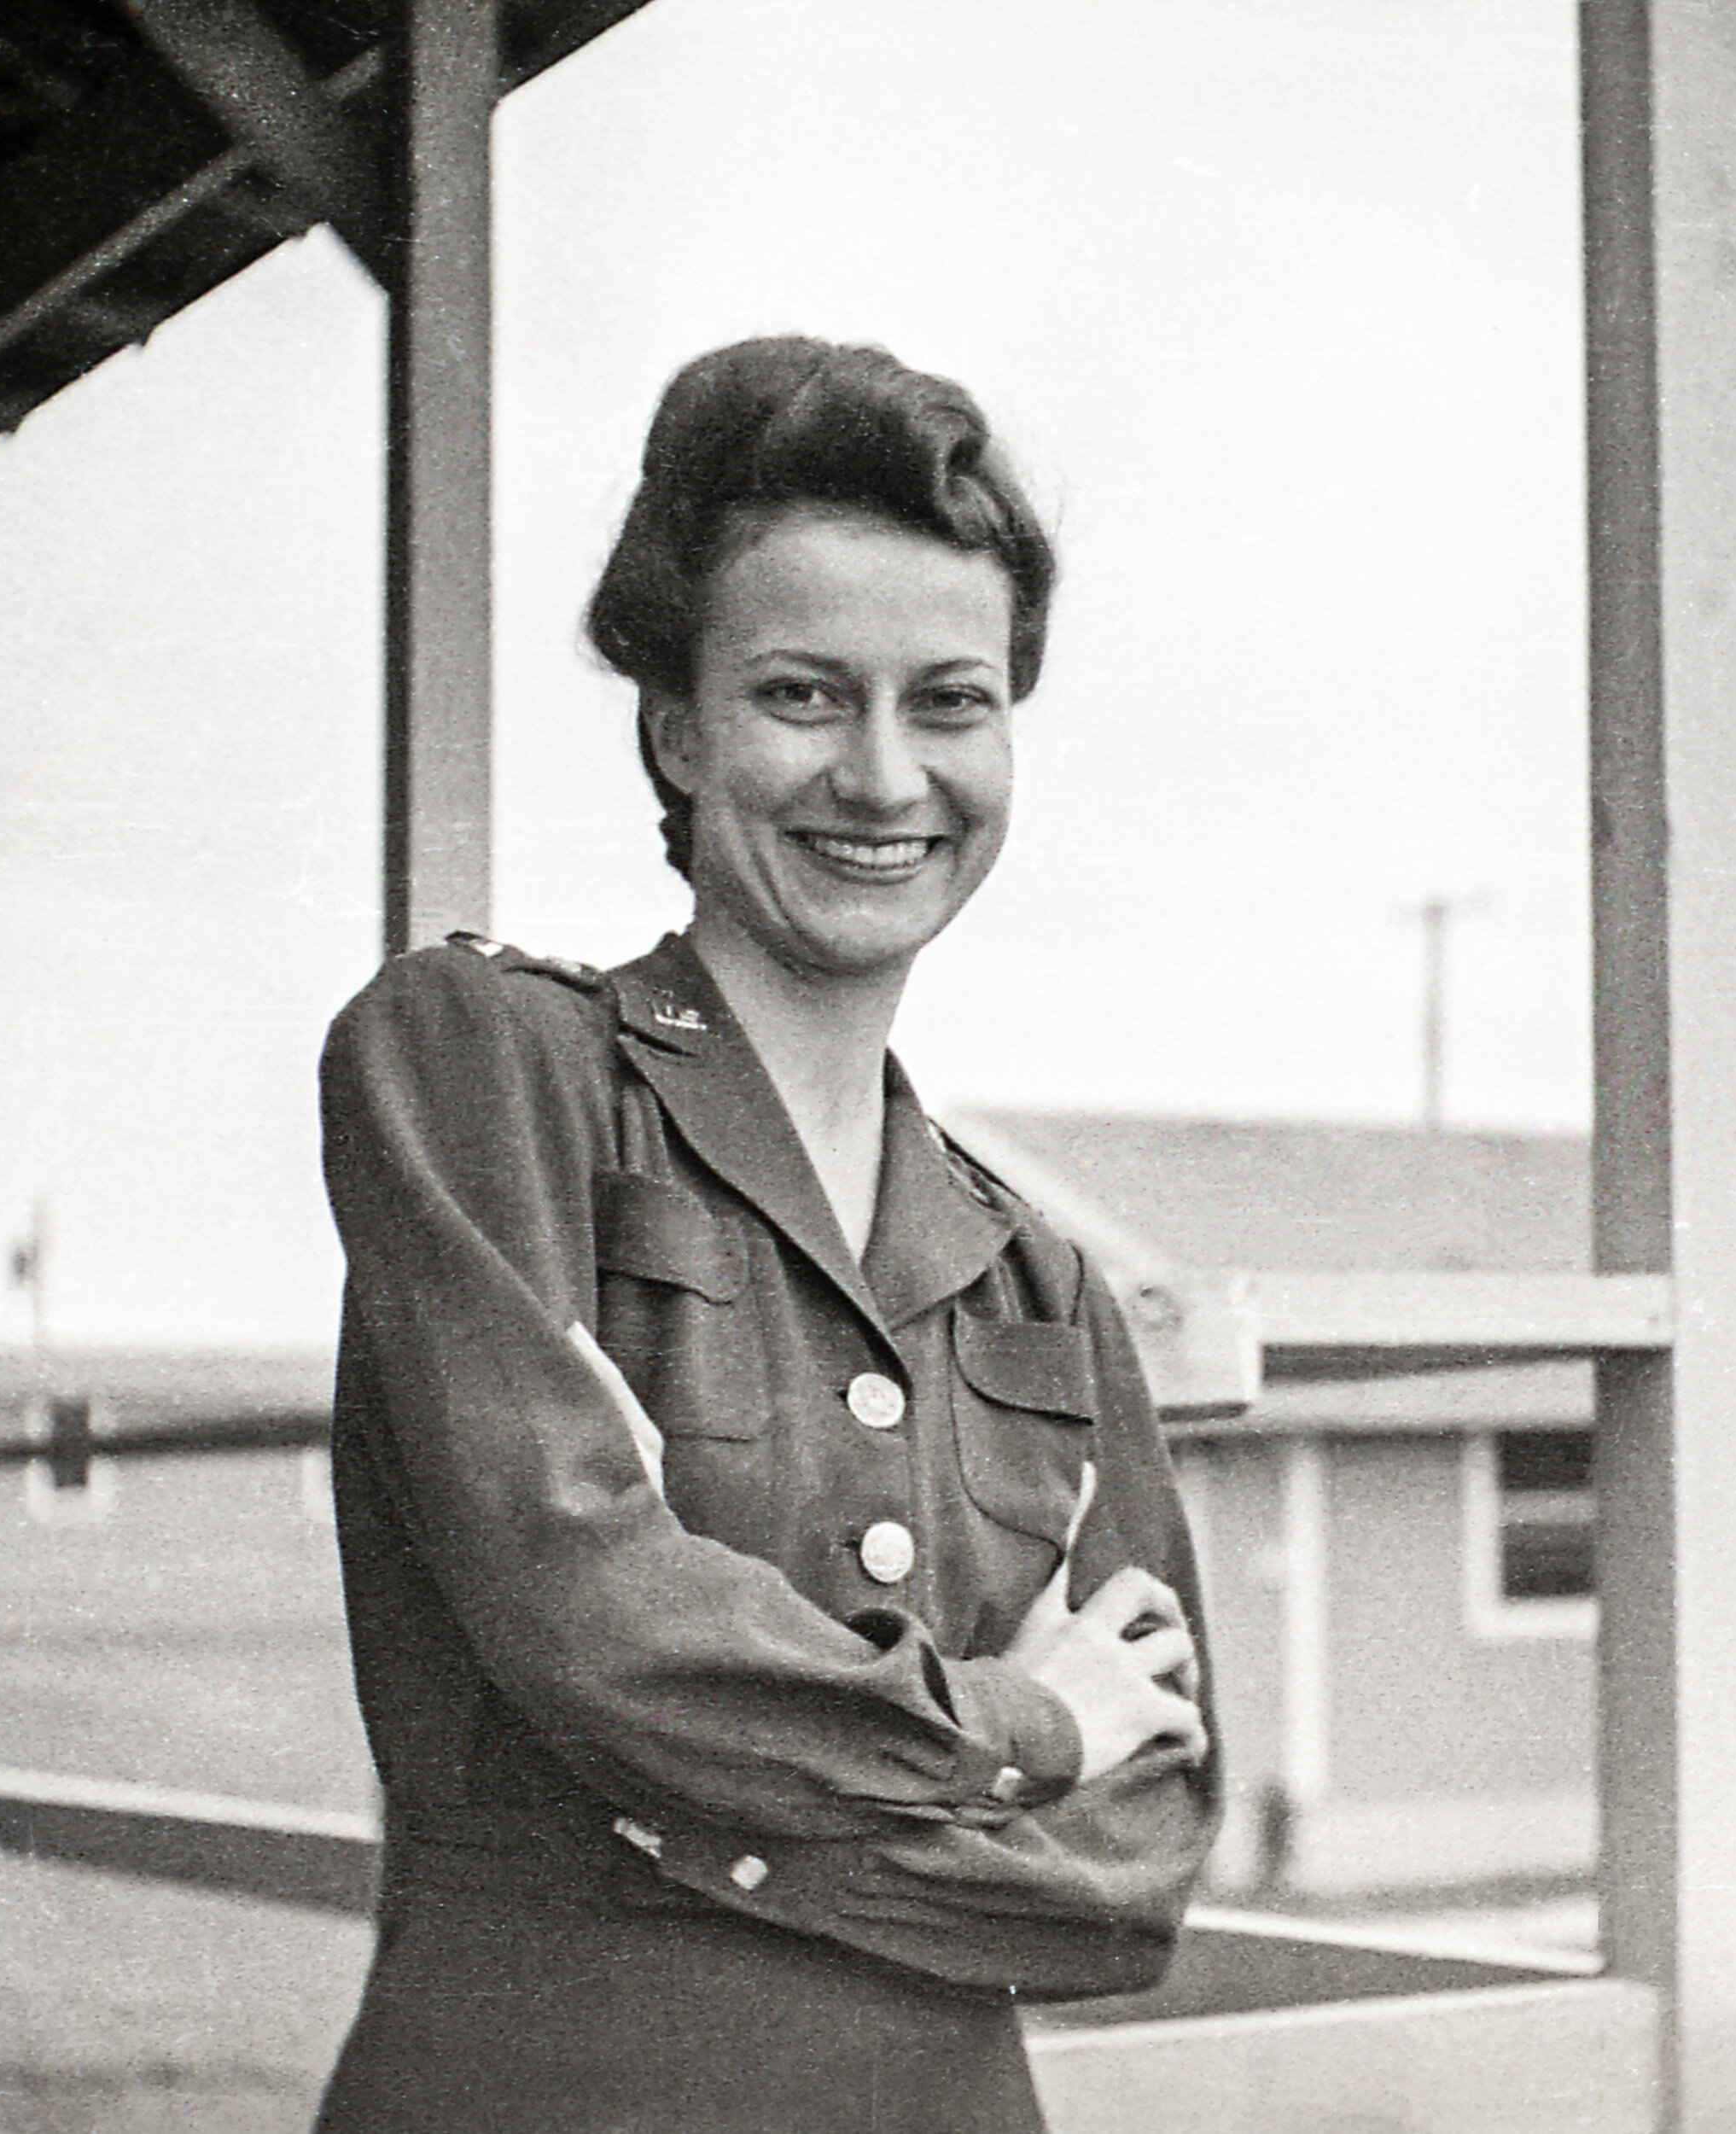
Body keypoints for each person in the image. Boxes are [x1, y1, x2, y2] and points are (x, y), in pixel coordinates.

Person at [314, 336, 1220, 2134]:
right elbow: (593, 1625)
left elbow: (1138, 1855)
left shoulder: (1039, 1274)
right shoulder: (485, 1064)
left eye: (949, 702)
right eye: (803, 695)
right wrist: (1016, 1729)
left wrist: (682, 1798)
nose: (883, 775)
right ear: (676, 725)